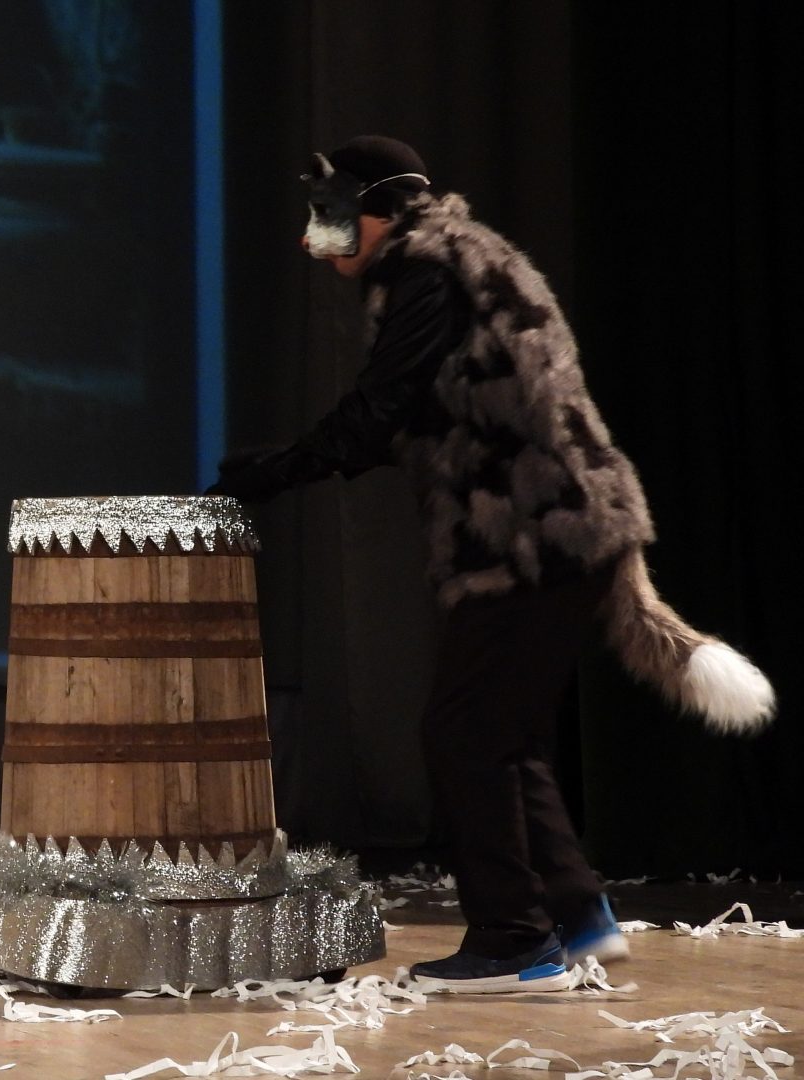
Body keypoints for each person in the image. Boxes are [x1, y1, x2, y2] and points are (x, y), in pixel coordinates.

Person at [209, 136, 774, 993]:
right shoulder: (463, 258)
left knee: (464, 731)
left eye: (328, 213)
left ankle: (515, 940)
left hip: (534, 537)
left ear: (378, 209)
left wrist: (280, 471)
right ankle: (576, 916)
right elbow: (423, 416)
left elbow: (381, 407)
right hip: (563, 527)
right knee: (497, 733)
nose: (311, 236)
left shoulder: (427, 269)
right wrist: (300, 462)